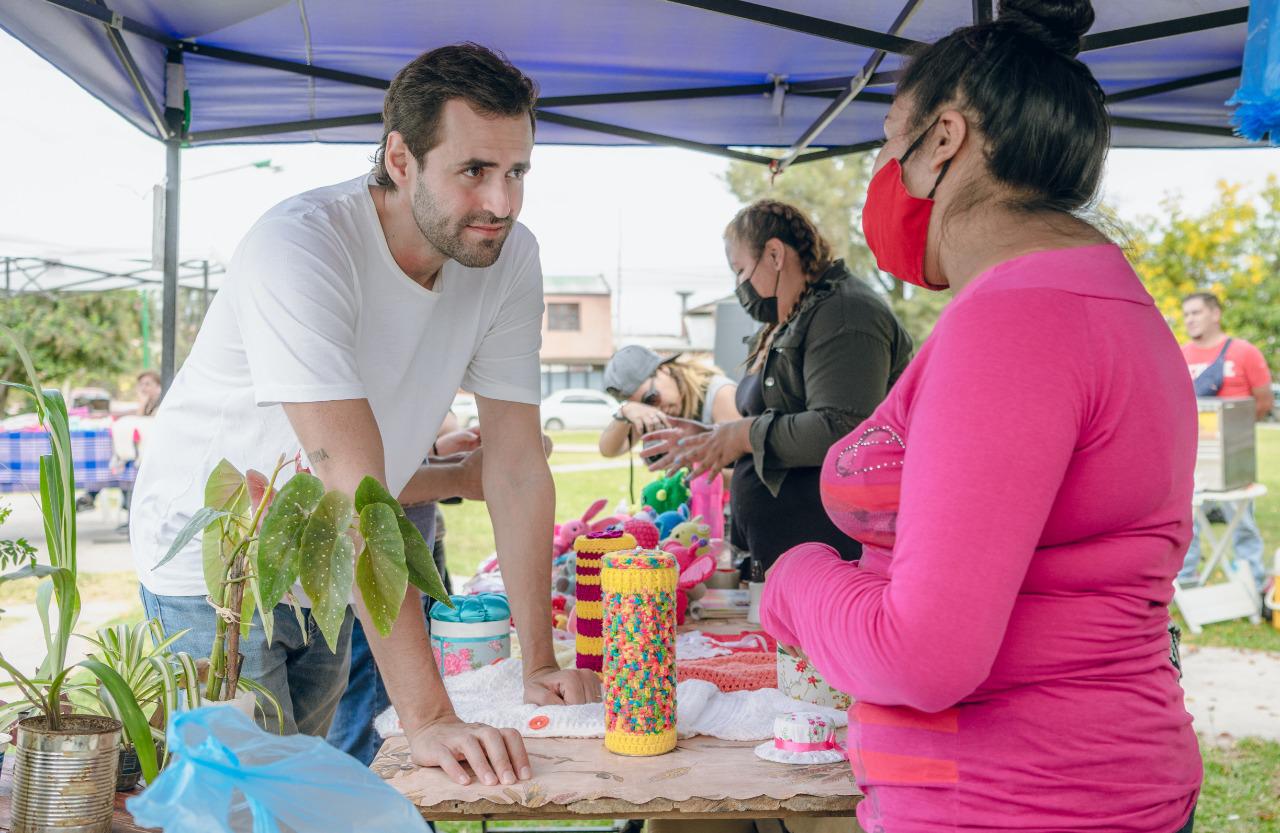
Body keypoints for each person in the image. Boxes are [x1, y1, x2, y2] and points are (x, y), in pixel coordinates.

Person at [759, 2, 1202, 831]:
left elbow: (919, 656)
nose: (882, 171)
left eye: (891, 141)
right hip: (1065, 788)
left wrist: (796, 579)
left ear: (944, 140)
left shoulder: (1020, 322)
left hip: (1020, 801)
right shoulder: (1087, 296)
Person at [129, 43, 599, 787]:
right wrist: (430, 717)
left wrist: (539, 665)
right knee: (252, 804)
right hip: (216, 565)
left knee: (309, 790)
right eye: (474, 170)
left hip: (333, 561)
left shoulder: (509, 255)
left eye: (517, 173)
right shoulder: (302, 245)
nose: (502, 202)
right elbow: (351, 491)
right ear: (401, 159)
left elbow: (513, 465)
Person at [643, 199, 912, 570]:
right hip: (787, 558)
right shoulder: (792, 317)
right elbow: (779, 423)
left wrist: (741, 435)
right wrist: (712, 437)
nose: (739, 286)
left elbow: (842, 429)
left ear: (774, 254)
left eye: (740, 270)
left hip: (832, 559)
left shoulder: (844, 314)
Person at [326, 412, 477, 765]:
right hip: (372, 590)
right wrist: (460, 476)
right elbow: (365, 489)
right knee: (370, 736)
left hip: (398, 580)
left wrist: (440, 454)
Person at [1177, 291, 1273, 593]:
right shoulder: (1181, 354)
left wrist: (1235, 436)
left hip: (1234, 458)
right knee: (1186, 520)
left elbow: (1264, 401)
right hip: (1192, 457)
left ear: (1215, 313)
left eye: (1196, 312)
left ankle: (1253, 583)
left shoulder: (1244, 352)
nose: (1190, 319)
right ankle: (1188, 582)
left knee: (1242, 521)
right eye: (1186, 314)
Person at [599, 346, 739, 457]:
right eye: (643, 407)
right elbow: (609, 450)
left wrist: (689, 461)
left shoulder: (721, 394)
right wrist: (626, 412)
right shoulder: (652, 413)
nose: (655, 410)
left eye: (651, 397)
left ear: (663, 370)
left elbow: (741, 472)